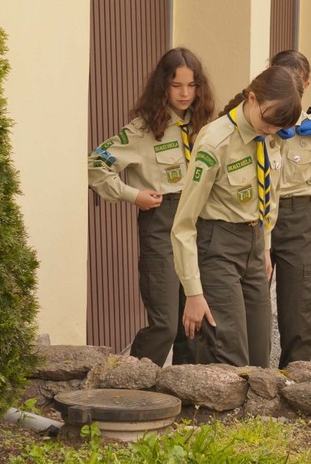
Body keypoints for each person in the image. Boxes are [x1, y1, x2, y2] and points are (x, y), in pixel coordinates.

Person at [88, 47, 215, 367]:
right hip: (161, 222)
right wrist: (133, 195)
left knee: (195, 317)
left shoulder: (204, 127)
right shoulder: (143, 130)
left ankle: (186, 391)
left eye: (192, 85)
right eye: (177, 86)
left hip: (200, 221)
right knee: (165, 322)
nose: (185, 93)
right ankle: (132, 385)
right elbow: (94, 166)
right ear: (163, 86)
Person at [171, 65, 303, 368]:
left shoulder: (271, 136)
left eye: (278, 125)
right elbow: (183, 225)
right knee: (229, 358)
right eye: (269, 120)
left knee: (259, 358)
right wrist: (193, 292)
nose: (271, 129)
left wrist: (265, 244)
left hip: (255, 247)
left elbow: (269, 193)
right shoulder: (215, 142)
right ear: (253, 99)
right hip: (217, 249)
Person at [269, 50, 311, 369]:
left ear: (306, 83)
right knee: (246, 310)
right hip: (256, 219)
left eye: (296, 81)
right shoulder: (258, 126)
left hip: (297, 220)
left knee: (298, 310)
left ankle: (293, 384)